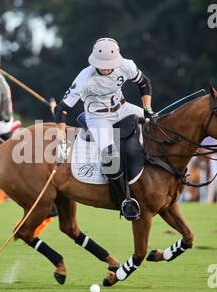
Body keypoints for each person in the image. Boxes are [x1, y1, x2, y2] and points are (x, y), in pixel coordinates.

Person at [54, 38, 156, 221]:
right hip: (98, 118)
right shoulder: (84, 78)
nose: (106, 68)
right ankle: (125, 201)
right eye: (103, 65)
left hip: (123, 108)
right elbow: (61, 109)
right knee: (110, 159)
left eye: (110, 64)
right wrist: (61, 139)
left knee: (158, 125)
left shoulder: (126, 65)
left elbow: (144, 83)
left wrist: (148, 110)